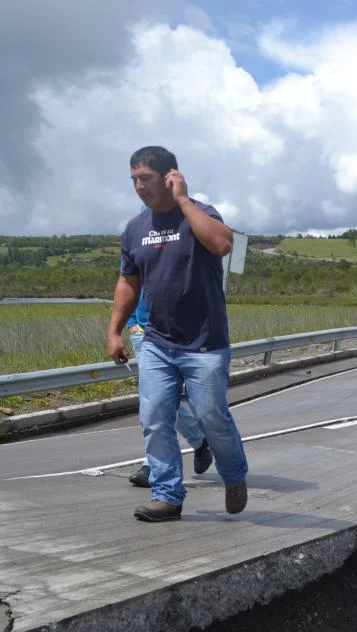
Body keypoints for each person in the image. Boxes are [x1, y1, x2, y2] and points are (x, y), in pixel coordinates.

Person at [107, 145, 249, 522]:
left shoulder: (201, 214)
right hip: (157, 341)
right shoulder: (136, 229)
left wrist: (183, 200)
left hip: (205, 342)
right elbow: (127, 280)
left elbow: (221, 245)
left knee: (210, 416)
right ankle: (167, 494)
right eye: (134, 180)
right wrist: (114, 331)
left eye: (147, 178)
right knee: (154, 416)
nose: (139, 186)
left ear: (171, 176)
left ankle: (234, 476)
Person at [125, 288, 213, 488]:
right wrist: (131, 324)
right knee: (157, 399)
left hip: (175, 334)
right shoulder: (140, 255)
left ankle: (153, 467)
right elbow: (130, 282)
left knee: (159, 400)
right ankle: (199, 442)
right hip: (142, 333)